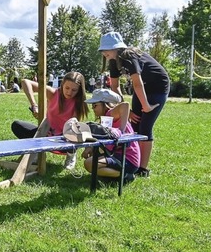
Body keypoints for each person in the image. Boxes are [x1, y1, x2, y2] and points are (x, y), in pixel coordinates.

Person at [98, 31, 169, 177]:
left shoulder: (129, 56)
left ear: (117, 48)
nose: (104, 52)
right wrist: (125, 109)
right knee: (134, 126)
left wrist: (147, 106)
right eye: (103, 49)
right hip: (142, 89)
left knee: (145, 127)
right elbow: (115, 87)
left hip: (157, 88)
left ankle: (143, 169)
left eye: (107, 49)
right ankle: (132, 164)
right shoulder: (113, 61)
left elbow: (137, 83)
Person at [11, 71, 89, 170]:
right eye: (67, 88)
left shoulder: (79, 102)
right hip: (46, 135)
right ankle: (37, 153)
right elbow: (25, 82)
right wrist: (34, 105)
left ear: (79, 90)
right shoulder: (53, 93)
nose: (69, 92)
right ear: (62, 85)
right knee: (17, 125)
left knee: (79, 131)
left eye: (74, 90)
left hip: (64, 140)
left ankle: (71, 155)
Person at [81, 88, 141, 183]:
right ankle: (113, 176)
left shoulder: (110, 114)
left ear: (106, 104)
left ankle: (125, 175)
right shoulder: (105, 121)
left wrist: (121, 130)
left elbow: (125, 105)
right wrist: (90, 148)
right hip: (119, 156)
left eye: (95, 105)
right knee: (92, 158)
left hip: (128, 160)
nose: (93, 109)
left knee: (89, 163)